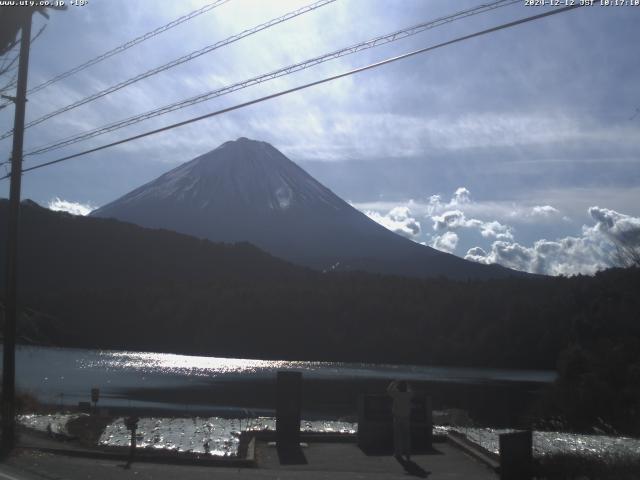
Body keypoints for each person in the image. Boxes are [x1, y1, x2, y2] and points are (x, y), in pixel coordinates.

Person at [387, 379, 413, 462]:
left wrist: (394, 382)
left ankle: (398, 453)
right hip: (406, 418)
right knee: (406, 437)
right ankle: (408, 454)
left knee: (398, 436)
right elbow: (411, 390)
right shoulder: (408, 394)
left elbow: (388, 390)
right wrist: (407, 384)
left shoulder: (397, 394)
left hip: (397, 417)